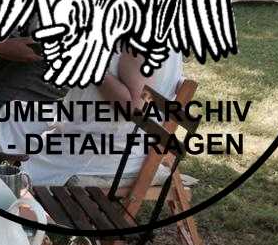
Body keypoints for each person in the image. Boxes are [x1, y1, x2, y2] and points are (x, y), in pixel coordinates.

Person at [15, 48, 183, 187]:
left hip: (108, 151)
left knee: (18, 158)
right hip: (95, 134)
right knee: (13, 116)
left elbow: (132, 109)